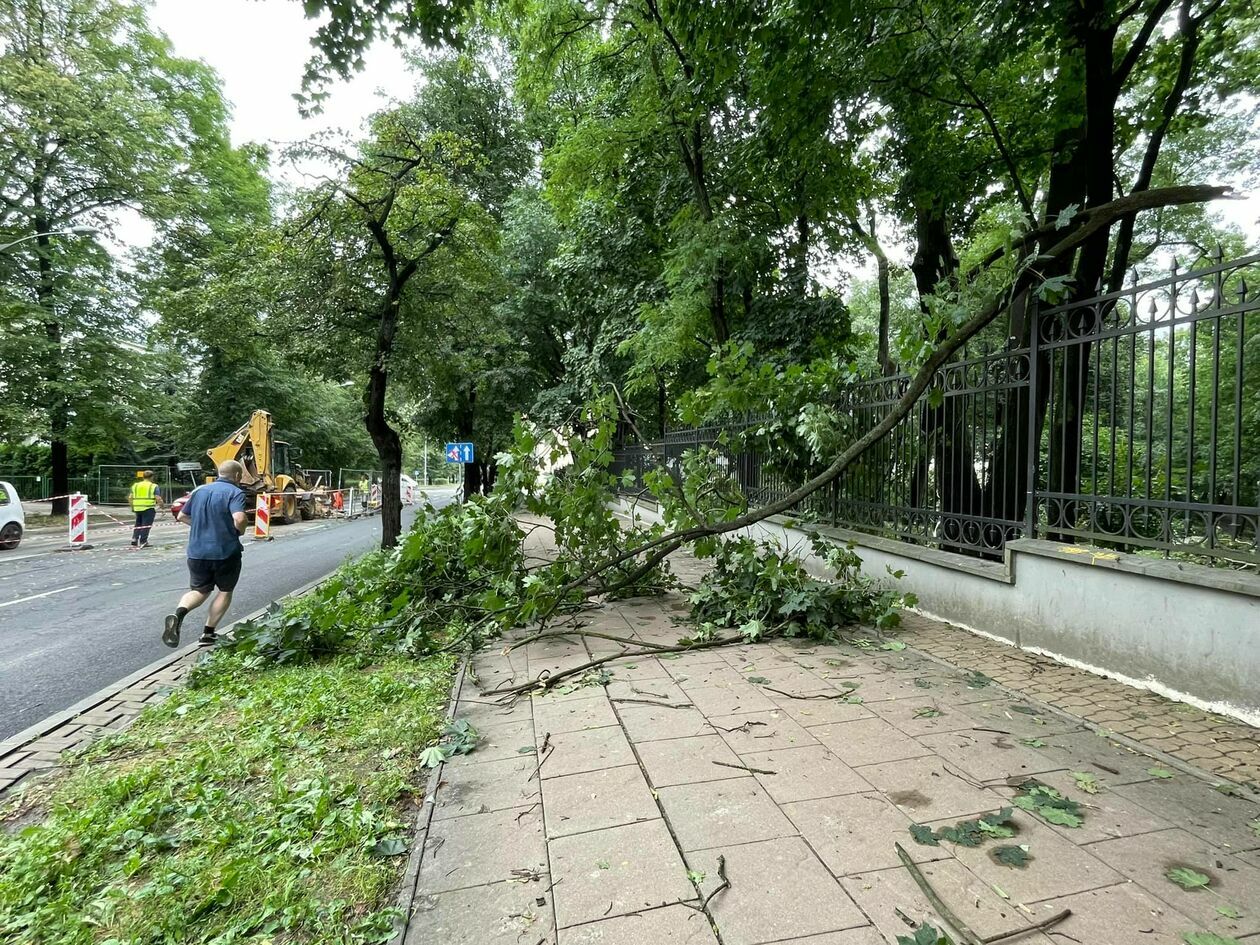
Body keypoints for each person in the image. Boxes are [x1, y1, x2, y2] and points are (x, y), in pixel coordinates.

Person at [162, 459, 247, 648]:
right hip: (225, 552)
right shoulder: (235, 492)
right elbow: (239, 518)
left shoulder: (199, 490)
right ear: (238, 476)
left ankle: (178, 615)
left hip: (197, 552)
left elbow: (182, 516)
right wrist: (238, 531)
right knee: (225, 591)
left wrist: (202, 527)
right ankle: (208, 634)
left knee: (200, 590)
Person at [129, 470, 163, 549]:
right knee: (146, 525)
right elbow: (158, 498)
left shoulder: (135, 485)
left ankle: (134, 538)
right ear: (152, 477)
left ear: (143, 477)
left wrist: (132, 507)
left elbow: (130, 497)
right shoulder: (153, 486)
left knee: (138, 524)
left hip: (137, 507)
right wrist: (162, 507)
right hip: (148, 508)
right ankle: (143, 541)